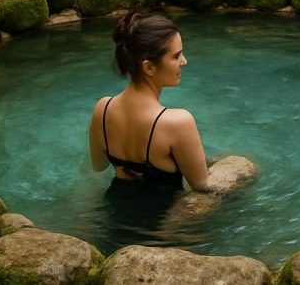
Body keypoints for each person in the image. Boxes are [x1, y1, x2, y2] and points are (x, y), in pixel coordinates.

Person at [88, 11, 209, 192]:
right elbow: (202, 187)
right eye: (176, 56)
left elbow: (99, 166)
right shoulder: (178, 122)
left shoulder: (102, 109)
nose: (184, 61)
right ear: (149, 67)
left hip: (115, 213)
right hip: (167, 218)